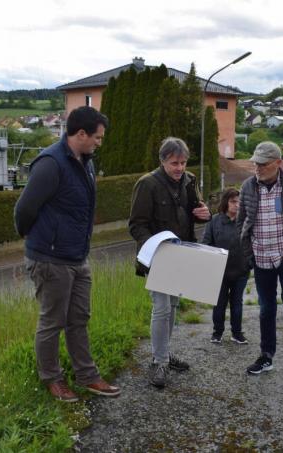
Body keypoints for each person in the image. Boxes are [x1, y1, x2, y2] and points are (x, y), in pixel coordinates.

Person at [14, 106, 120, 402]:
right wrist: (35, 240)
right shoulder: (51, 163)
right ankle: (52, 379)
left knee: (79, 319)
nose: (100, 142)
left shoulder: (85, 161)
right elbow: (23, 210)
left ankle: (87, 376)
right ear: (81, 134)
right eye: (97, 137)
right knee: (52, 322)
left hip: (77, 257)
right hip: (50, 259)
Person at [129, 137, 211, 388]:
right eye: (174, 163)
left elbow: (195, 212)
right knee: (161, 308)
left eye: (183, 162)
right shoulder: (147, 184)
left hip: (182, 254)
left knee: (173, 306)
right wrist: (154, 247)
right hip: (158, 256)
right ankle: (159, 361)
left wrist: (204, 214)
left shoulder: (190, 180)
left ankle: (163, 354)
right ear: (163, 161)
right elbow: (136, 225)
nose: (179, 168)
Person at [238, 141, 283, 387]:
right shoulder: (248, 187)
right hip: (260, 259)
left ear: (278, 163)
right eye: (255, 163)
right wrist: (249, 252)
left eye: (263, 164)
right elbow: (242, 221)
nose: (257, 168)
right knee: (266, 310)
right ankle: (266, 355)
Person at [202, 188, 250, 345]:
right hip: (220, 272)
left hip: (240, 271)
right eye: (233, 201)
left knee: (237, 303)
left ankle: (237, 333)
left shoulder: (246, 221)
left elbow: (253, 244)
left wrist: (248, 264)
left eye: (240, 202)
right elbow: (206, 244)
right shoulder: (214, 221)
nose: (237, 205)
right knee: (220, 303)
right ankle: (217, 332)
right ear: (226, 202)